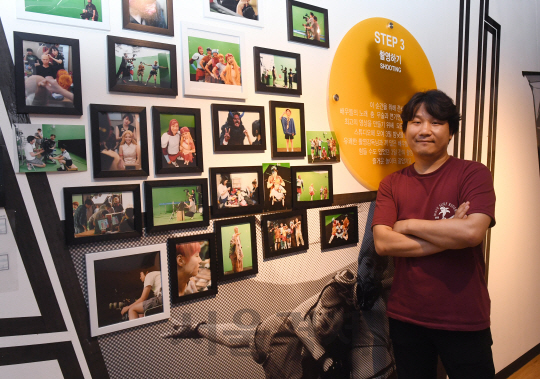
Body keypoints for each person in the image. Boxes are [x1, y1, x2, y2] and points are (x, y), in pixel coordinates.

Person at [372, 90, 496, 379]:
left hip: (464, 316)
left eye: (436, 122)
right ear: (405, 129)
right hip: (406, 315)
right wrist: (448, 233)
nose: (425, 130)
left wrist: (407, 224)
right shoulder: (391, 183)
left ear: (451, 131)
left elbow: (471, 232)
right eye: (416, 122)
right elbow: (382, 243)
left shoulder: (473, 173)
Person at [163, 269, 358, 378]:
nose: (325, 315)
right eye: (323, 308)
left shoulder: (346, 349)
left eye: (334, 315)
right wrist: (197, 329)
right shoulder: (281, 331)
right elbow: (238, 335)